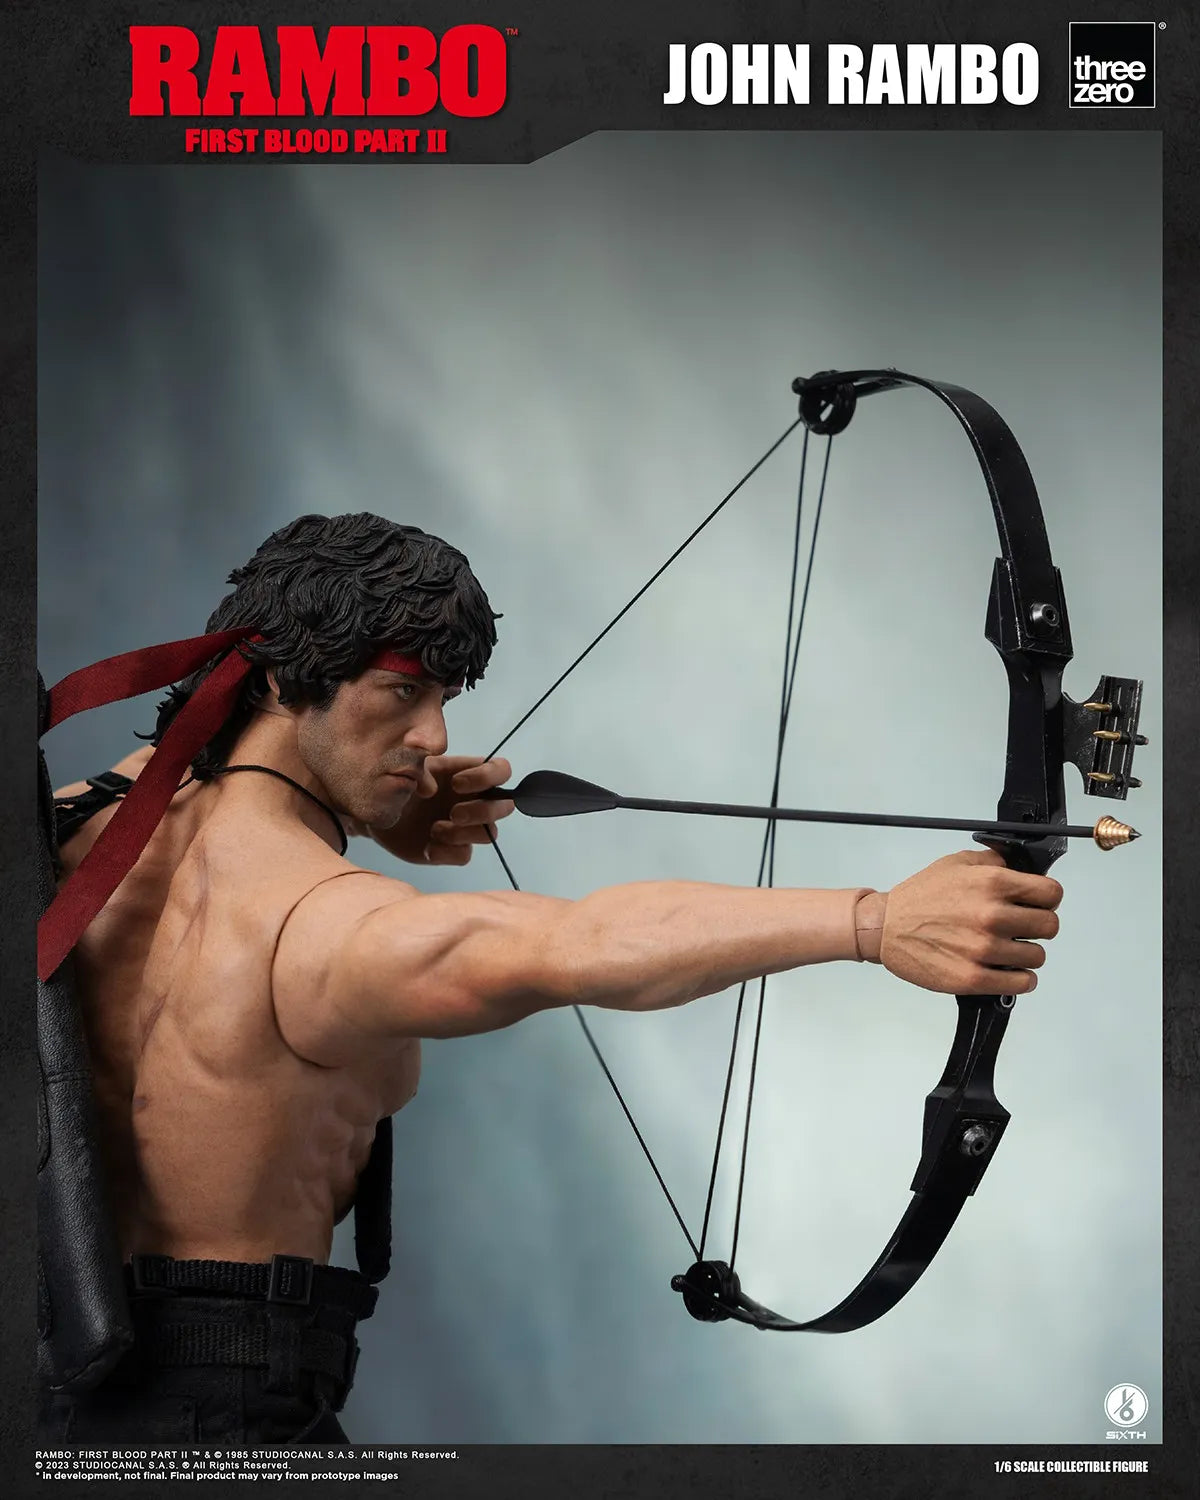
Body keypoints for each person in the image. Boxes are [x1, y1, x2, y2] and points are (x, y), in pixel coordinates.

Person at [38, 512, 1063, 1445]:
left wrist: (361, 805)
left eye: (442, 700)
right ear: (278, 677)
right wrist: (874, 921)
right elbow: (580, 942)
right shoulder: (323, 926)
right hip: (226, 1407)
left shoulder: (59, 832)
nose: (435, 739)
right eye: (402, 691)